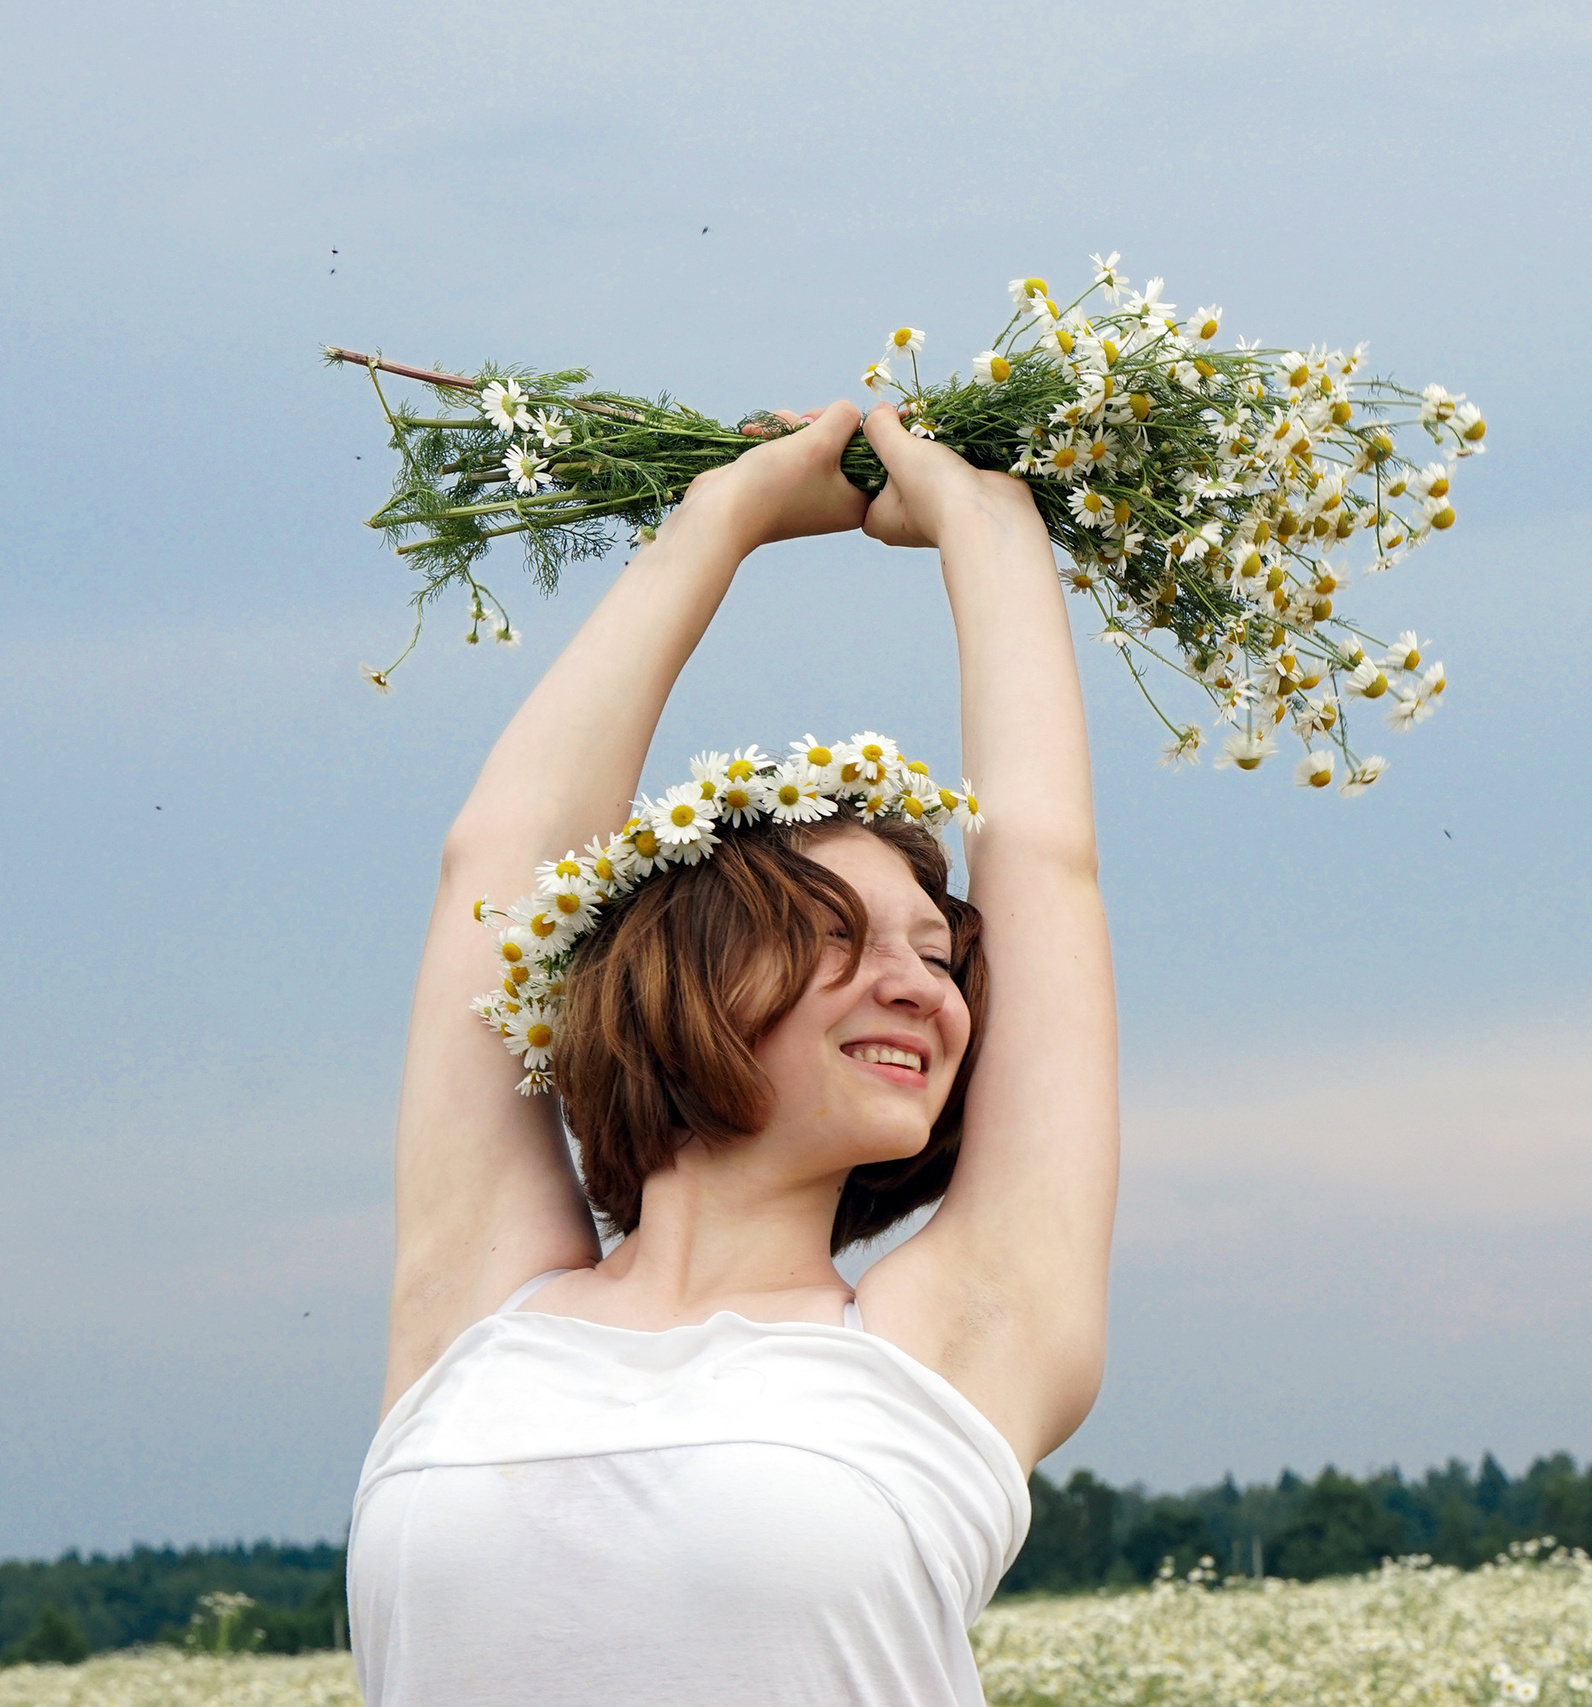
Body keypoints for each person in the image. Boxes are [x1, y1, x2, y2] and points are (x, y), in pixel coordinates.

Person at [346, 401, 1117, 1705]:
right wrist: (724, 516)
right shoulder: (477, 1310)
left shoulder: (959, 1340)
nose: (917, 987)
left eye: (938, 956)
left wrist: (987, 525)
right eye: (844, 937)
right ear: (685, 967)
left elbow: (1043, 860)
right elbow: (499, 867)